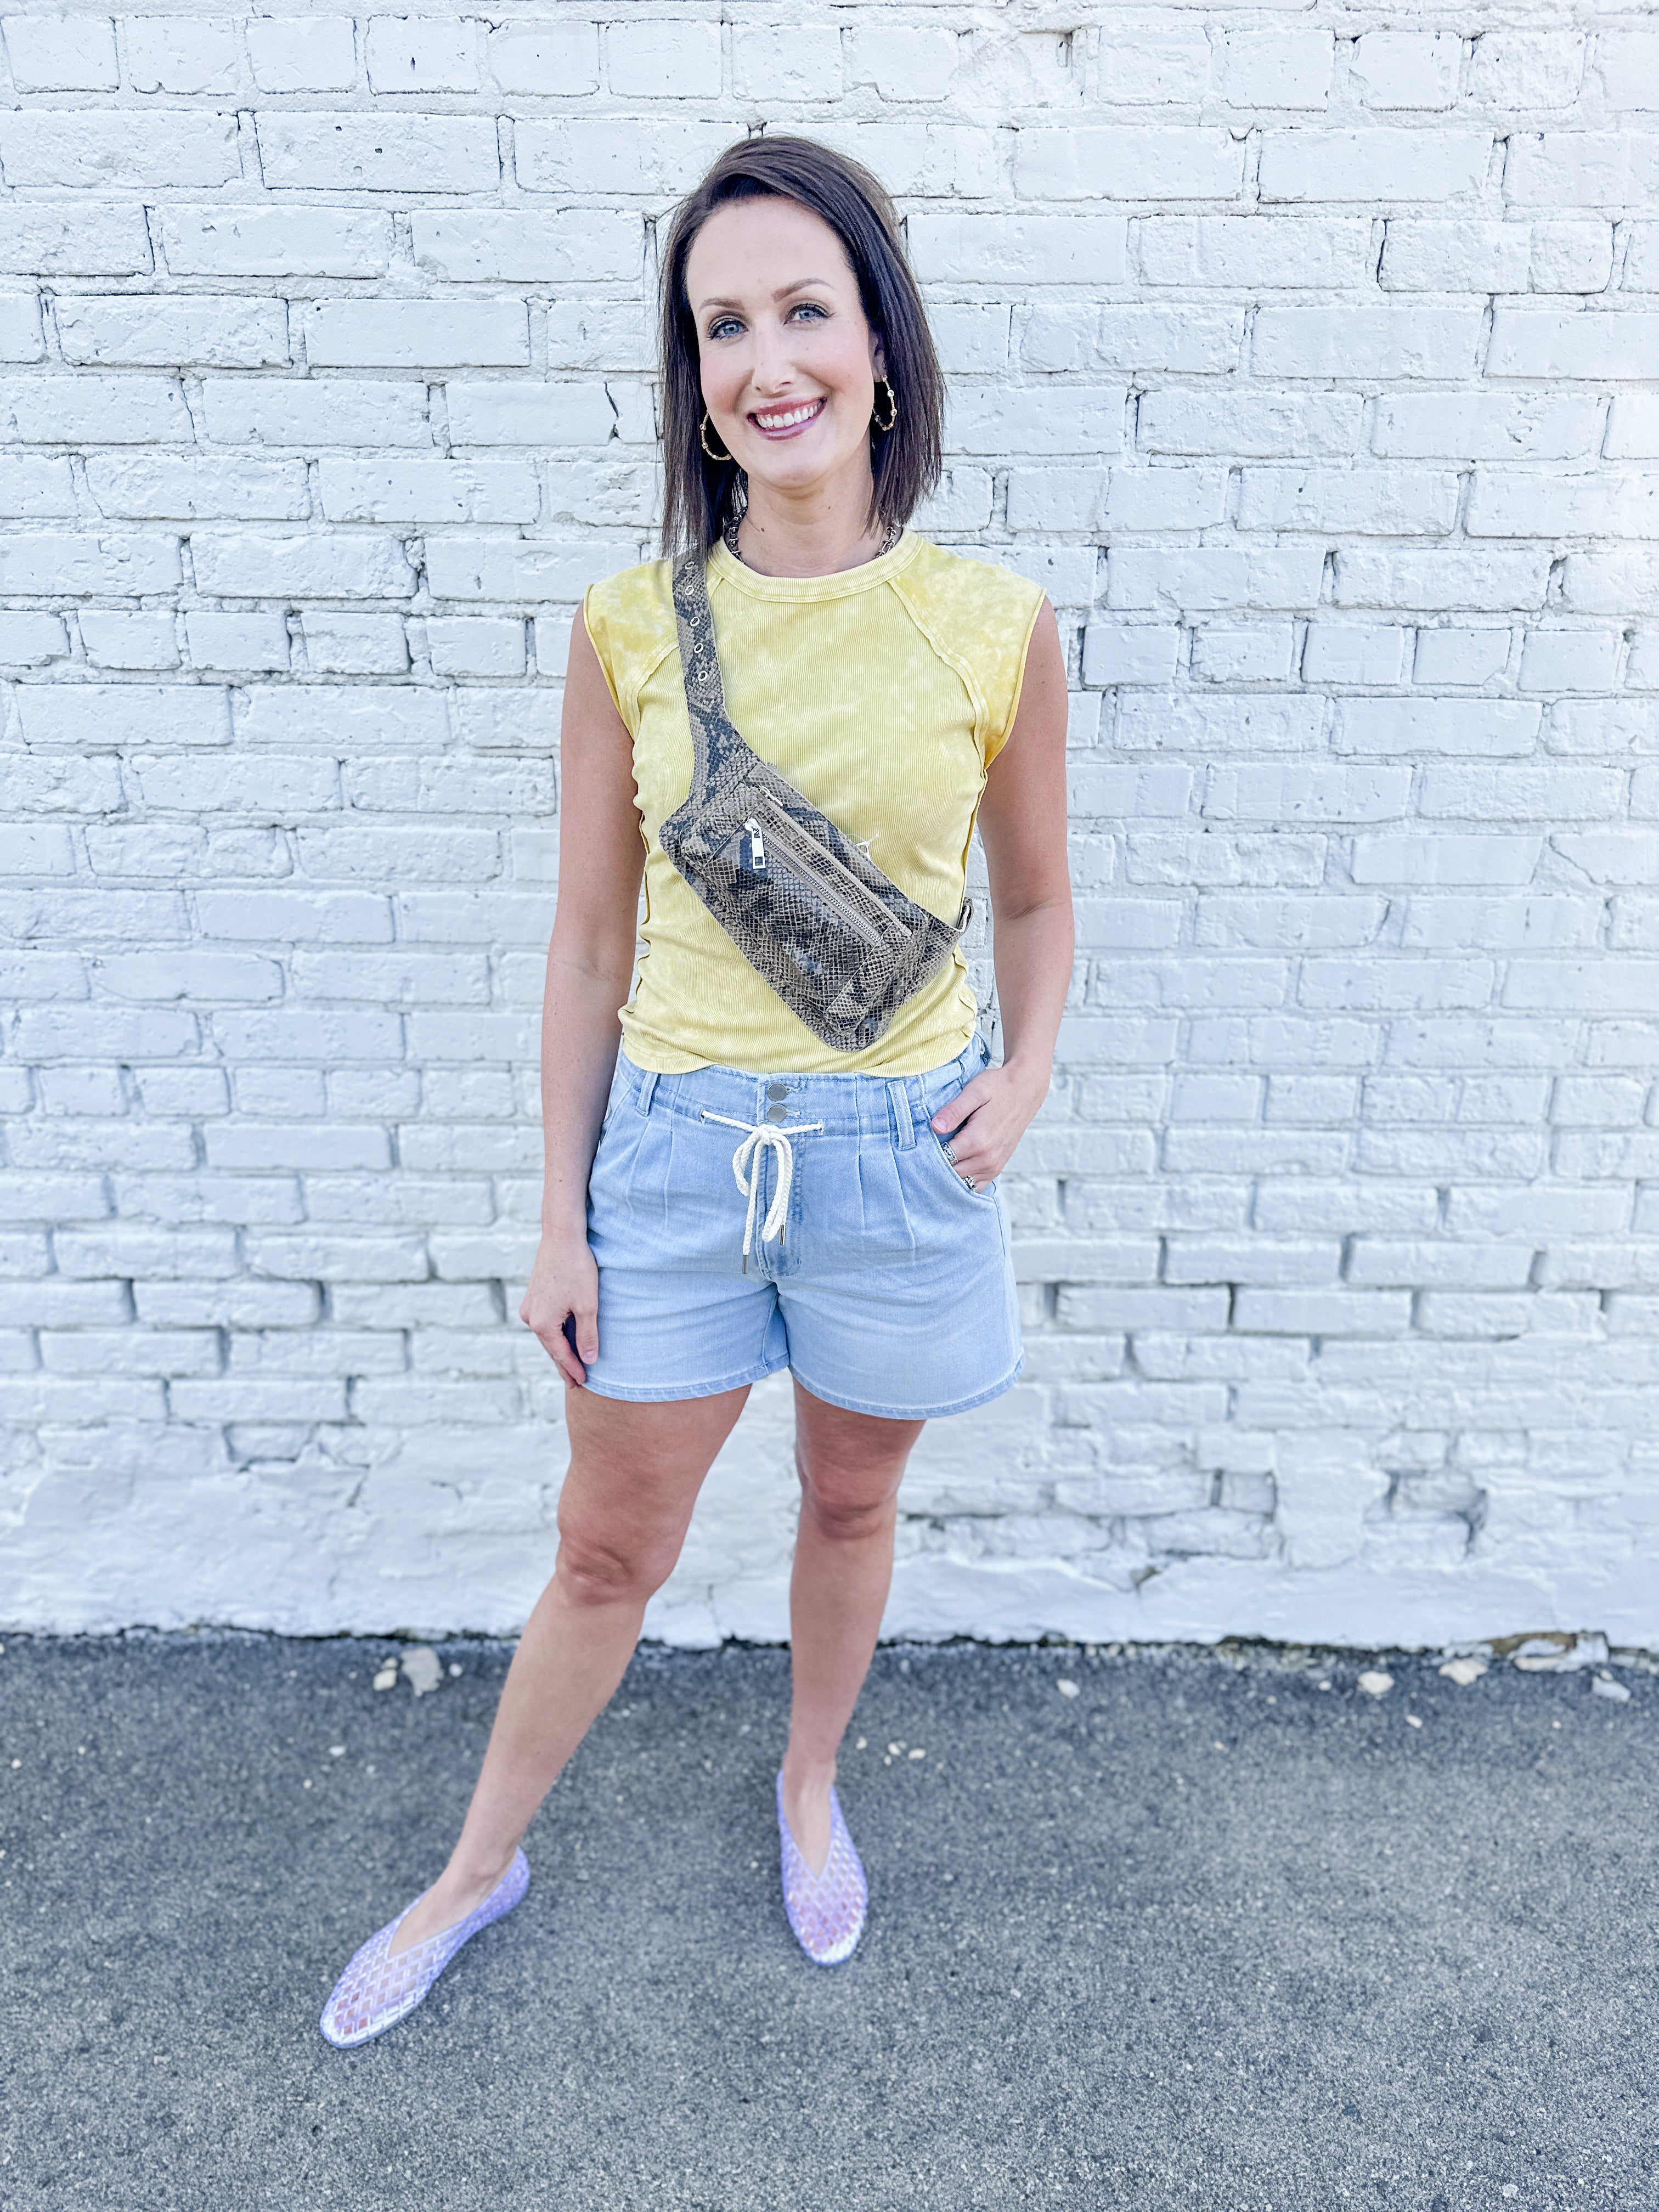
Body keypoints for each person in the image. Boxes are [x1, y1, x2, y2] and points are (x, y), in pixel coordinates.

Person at [320, 134, 1072, 2047]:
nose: (765, 361)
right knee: (607, 1551)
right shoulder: (629, 626)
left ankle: (809, 1785)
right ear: (696, 371)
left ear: (881, 343)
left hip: (898, 1157)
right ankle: (476, 1866)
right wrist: (559, 1216)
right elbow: (588, 945)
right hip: (674, 1160)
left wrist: (1030, 1071)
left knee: (847, 1507)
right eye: (722, 325)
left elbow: (1037, 900)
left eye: (803, 310)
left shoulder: (994, 624)